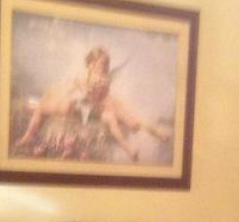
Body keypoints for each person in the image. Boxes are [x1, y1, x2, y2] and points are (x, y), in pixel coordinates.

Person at [14, 46, 170, 161]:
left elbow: (99, 94)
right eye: (102, 64)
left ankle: (143, 139)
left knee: (126, 119)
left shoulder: (100, 79)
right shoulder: (85, 78)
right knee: (46, 106)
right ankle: (28, 135)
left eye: (107, 64)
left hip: (96, 108)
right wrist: (78, 91)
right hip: (83, 107)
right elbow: (73, 92)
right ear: (91, 64)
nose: (105, 67)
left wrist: (89, 91)